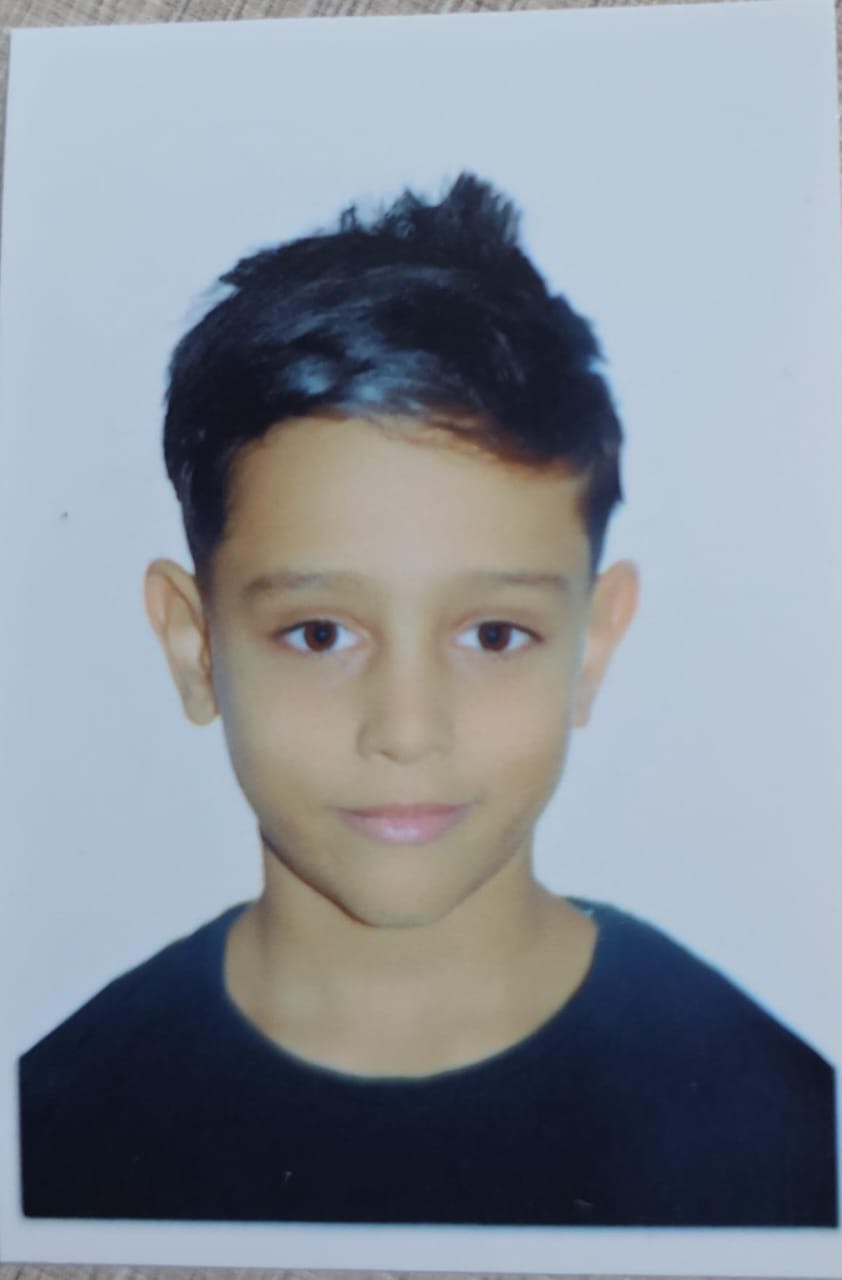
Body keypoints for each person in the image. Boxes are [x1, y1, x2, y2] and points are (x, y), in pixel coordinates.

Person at [19, 174, 837, 1227]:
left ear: (591, 647)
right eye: (320, 633)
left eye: (493, 635)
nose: (406, 730)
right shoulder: (50, 1136)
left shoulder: (791, 1140)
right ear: (194, 646)